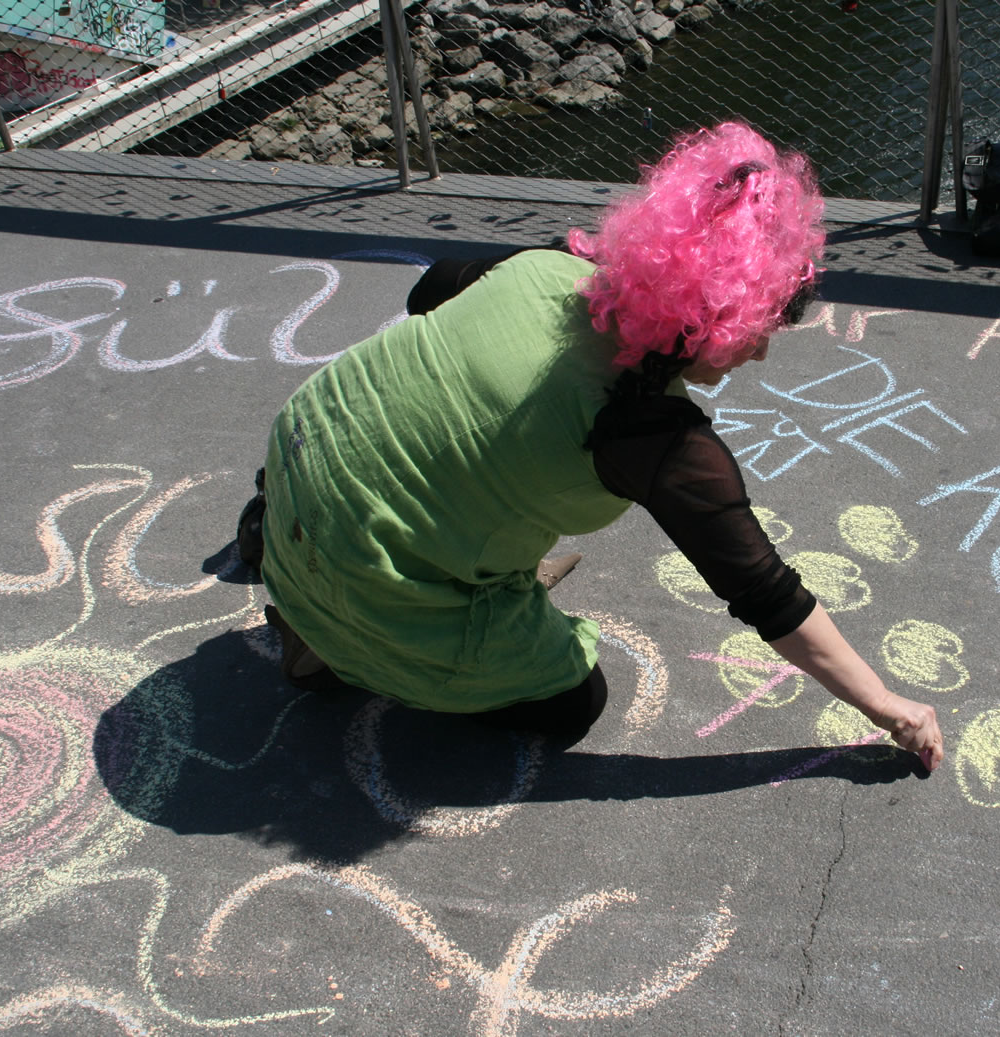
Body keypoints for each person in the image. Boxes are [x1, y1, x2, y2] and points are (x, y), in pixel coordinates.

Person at [242, 121, 944, 771]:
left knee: (427, 466)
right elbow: (765, 592)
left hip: (299, 462)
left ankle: (294, 569)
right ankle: (331, 651)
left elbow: (430, 292)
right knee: (573, 701)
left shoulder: (550, 267)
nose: (757, 353)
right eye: (758, 326)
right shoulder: (645, 426)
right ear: (715, 314)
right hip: (367, 570)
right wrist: (888, 706)